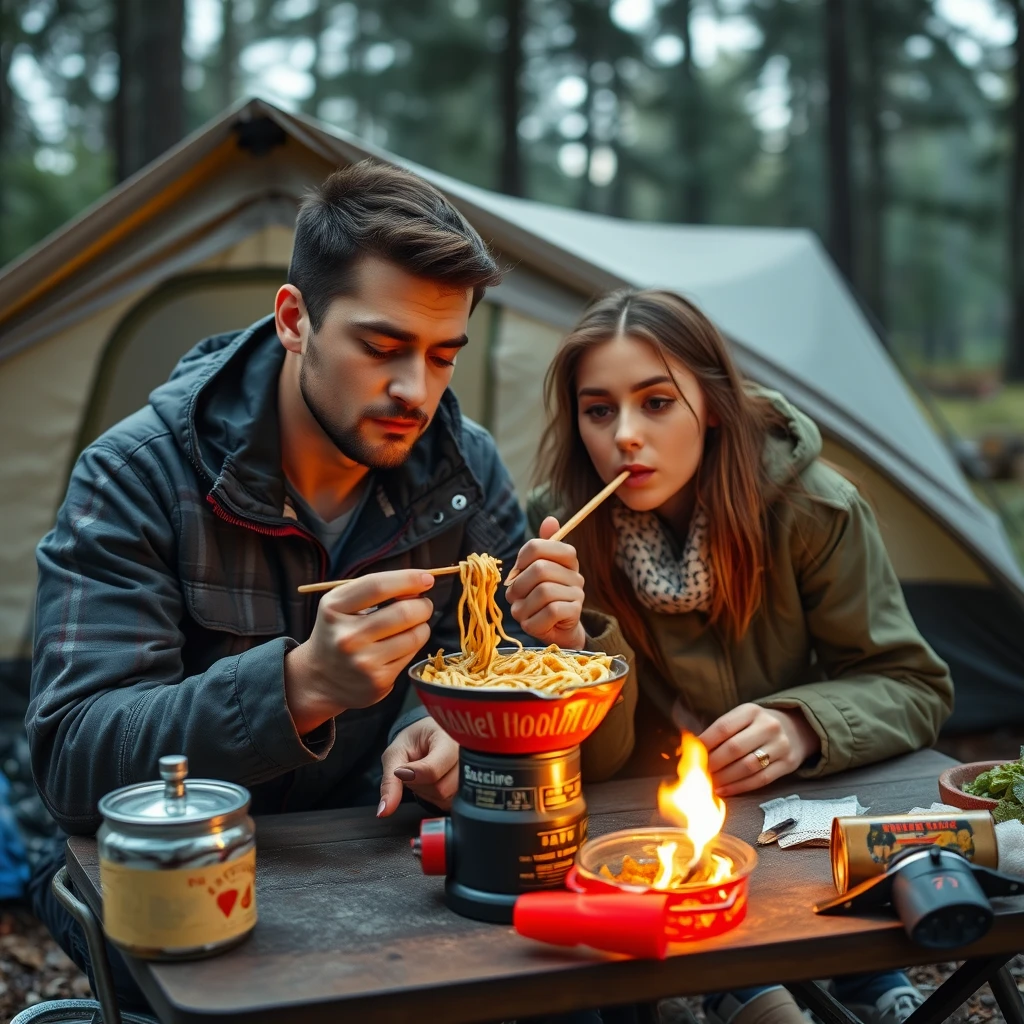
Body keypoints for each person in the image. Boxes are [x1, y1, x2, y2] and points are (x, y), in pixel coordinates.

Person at [26, 160, 631, 1012]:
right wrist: (299, 686)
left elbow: (481, 655)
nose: (413, 391)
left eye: (442, 356)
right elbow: (75, 760)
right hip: (189, 881)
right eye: (381, 347)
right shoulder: (137, 475)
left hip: (377, 853)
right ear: (294, 319)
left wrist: (449, 721)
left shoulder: (463, 468)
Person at [512, 288, 954, 1024]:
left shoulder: (816, 509)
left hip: (795, 808)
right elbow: (601, 764)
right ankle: (744, 984)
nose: (625, 436)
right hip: (648, 810)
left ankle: (845, 978)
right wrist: (574, 651)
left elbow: (913, 684)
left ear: (712, 405)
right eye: (599, 410)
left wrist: (804, 723)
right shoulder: (559, 531)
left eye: (656, 403)